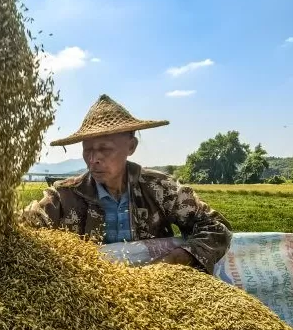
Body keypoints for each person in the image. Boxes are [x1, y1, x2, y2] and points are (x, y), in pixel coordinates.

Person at [22, 95, 232, 272]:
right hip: (88, 294)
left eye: (104, 149)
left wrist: (181, 257)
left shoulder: (160, 189)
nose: (94, 158)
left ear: (130, 146)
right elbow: (25, 227)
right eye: (88, 150)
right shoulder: (65, 196)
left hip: (158, 290)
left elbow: (216, 226)